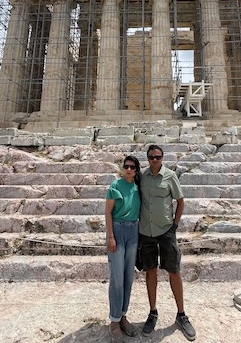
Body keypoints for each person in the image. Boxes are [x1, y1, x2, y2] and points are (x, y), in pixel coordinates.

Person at [138, 144, 196, 341]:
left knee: (174, 271)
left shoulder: (170, 175)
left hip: (166, 230)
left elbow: (180, 201)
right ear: (147, 158)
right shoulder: (141, 176)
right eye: (151, 157)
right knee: (150, 271)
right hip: (146, 231)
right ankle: (153, 312)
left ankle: (181, 314)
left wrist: (175, 225)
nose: (155, 160)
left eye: (158, 157)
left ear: (162, 158)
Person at [105, 155, 141, 342]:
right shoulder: (115, 186)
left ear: (136, 170)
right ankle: (114, 320)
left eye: (132, 167)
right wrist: (111, 236)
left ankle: (123, 315)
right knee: (117, 278)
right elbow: (108, 212)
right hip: (117, 231)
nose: (128, 169)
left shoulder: (138, 187)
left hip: (133, 231)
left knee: (128, 276)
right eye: (126, 166)